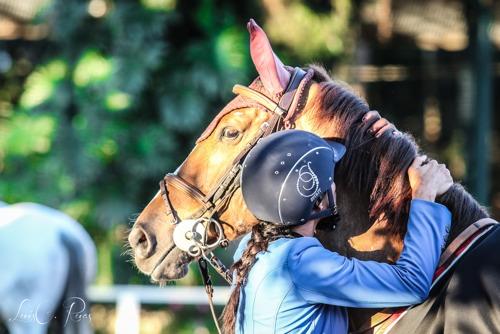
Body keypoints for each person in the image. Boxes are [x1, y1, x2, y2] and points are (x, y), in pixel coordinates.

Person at [221, 129, 453, 334]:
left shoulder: (250, 248)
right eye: (330, 179)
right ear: (318, 202)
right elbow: (411, 284)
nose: (335, 184)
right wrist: (424, 197)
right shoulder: (302, 264)